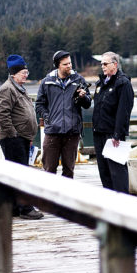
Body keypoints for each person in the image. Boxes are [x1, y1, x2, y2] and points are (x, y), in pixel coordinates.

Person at [0, 54, 44, 219]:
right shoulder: (7, 89)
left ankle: (14, 207)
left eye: (27, 72)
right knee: (22, 173)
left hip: (22, 138)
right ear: (14, 73)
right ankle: (26, 208)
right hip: (12, 138)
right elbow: (2, 114)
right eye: (23, 72)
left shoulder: (19, 88)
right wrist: (13, 134)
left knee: (16, 173)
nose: (26, 75)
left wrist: (28, 136)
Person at [35, 50, 92, 178]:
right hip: (52, 132)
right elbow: (39, 104)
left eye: (70, 63)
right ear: (58, 65)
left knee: (69, 171)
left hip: (72, 133)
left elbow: (88, 103)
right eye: (65, 64)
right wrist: (48, 117)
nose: (69, 66)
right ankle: (49, 198)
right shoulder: (46, 82)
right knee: (49, 170)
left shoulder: (79, 80)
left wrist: (83, 97)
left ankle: (65, 197)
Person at [92, 51, 134, 193]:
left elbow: (124, 111)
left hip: (113, 135)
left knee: (117, 172)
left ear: (115, 64)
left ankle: (123, 204)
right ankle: (110, 205)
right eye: (101, 64)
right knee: (104, 172)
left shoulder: (123, 83)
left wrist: (117, 134)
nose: (102, 67)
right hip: (99, 133)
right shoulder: (100, 83)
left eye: (105, 63)